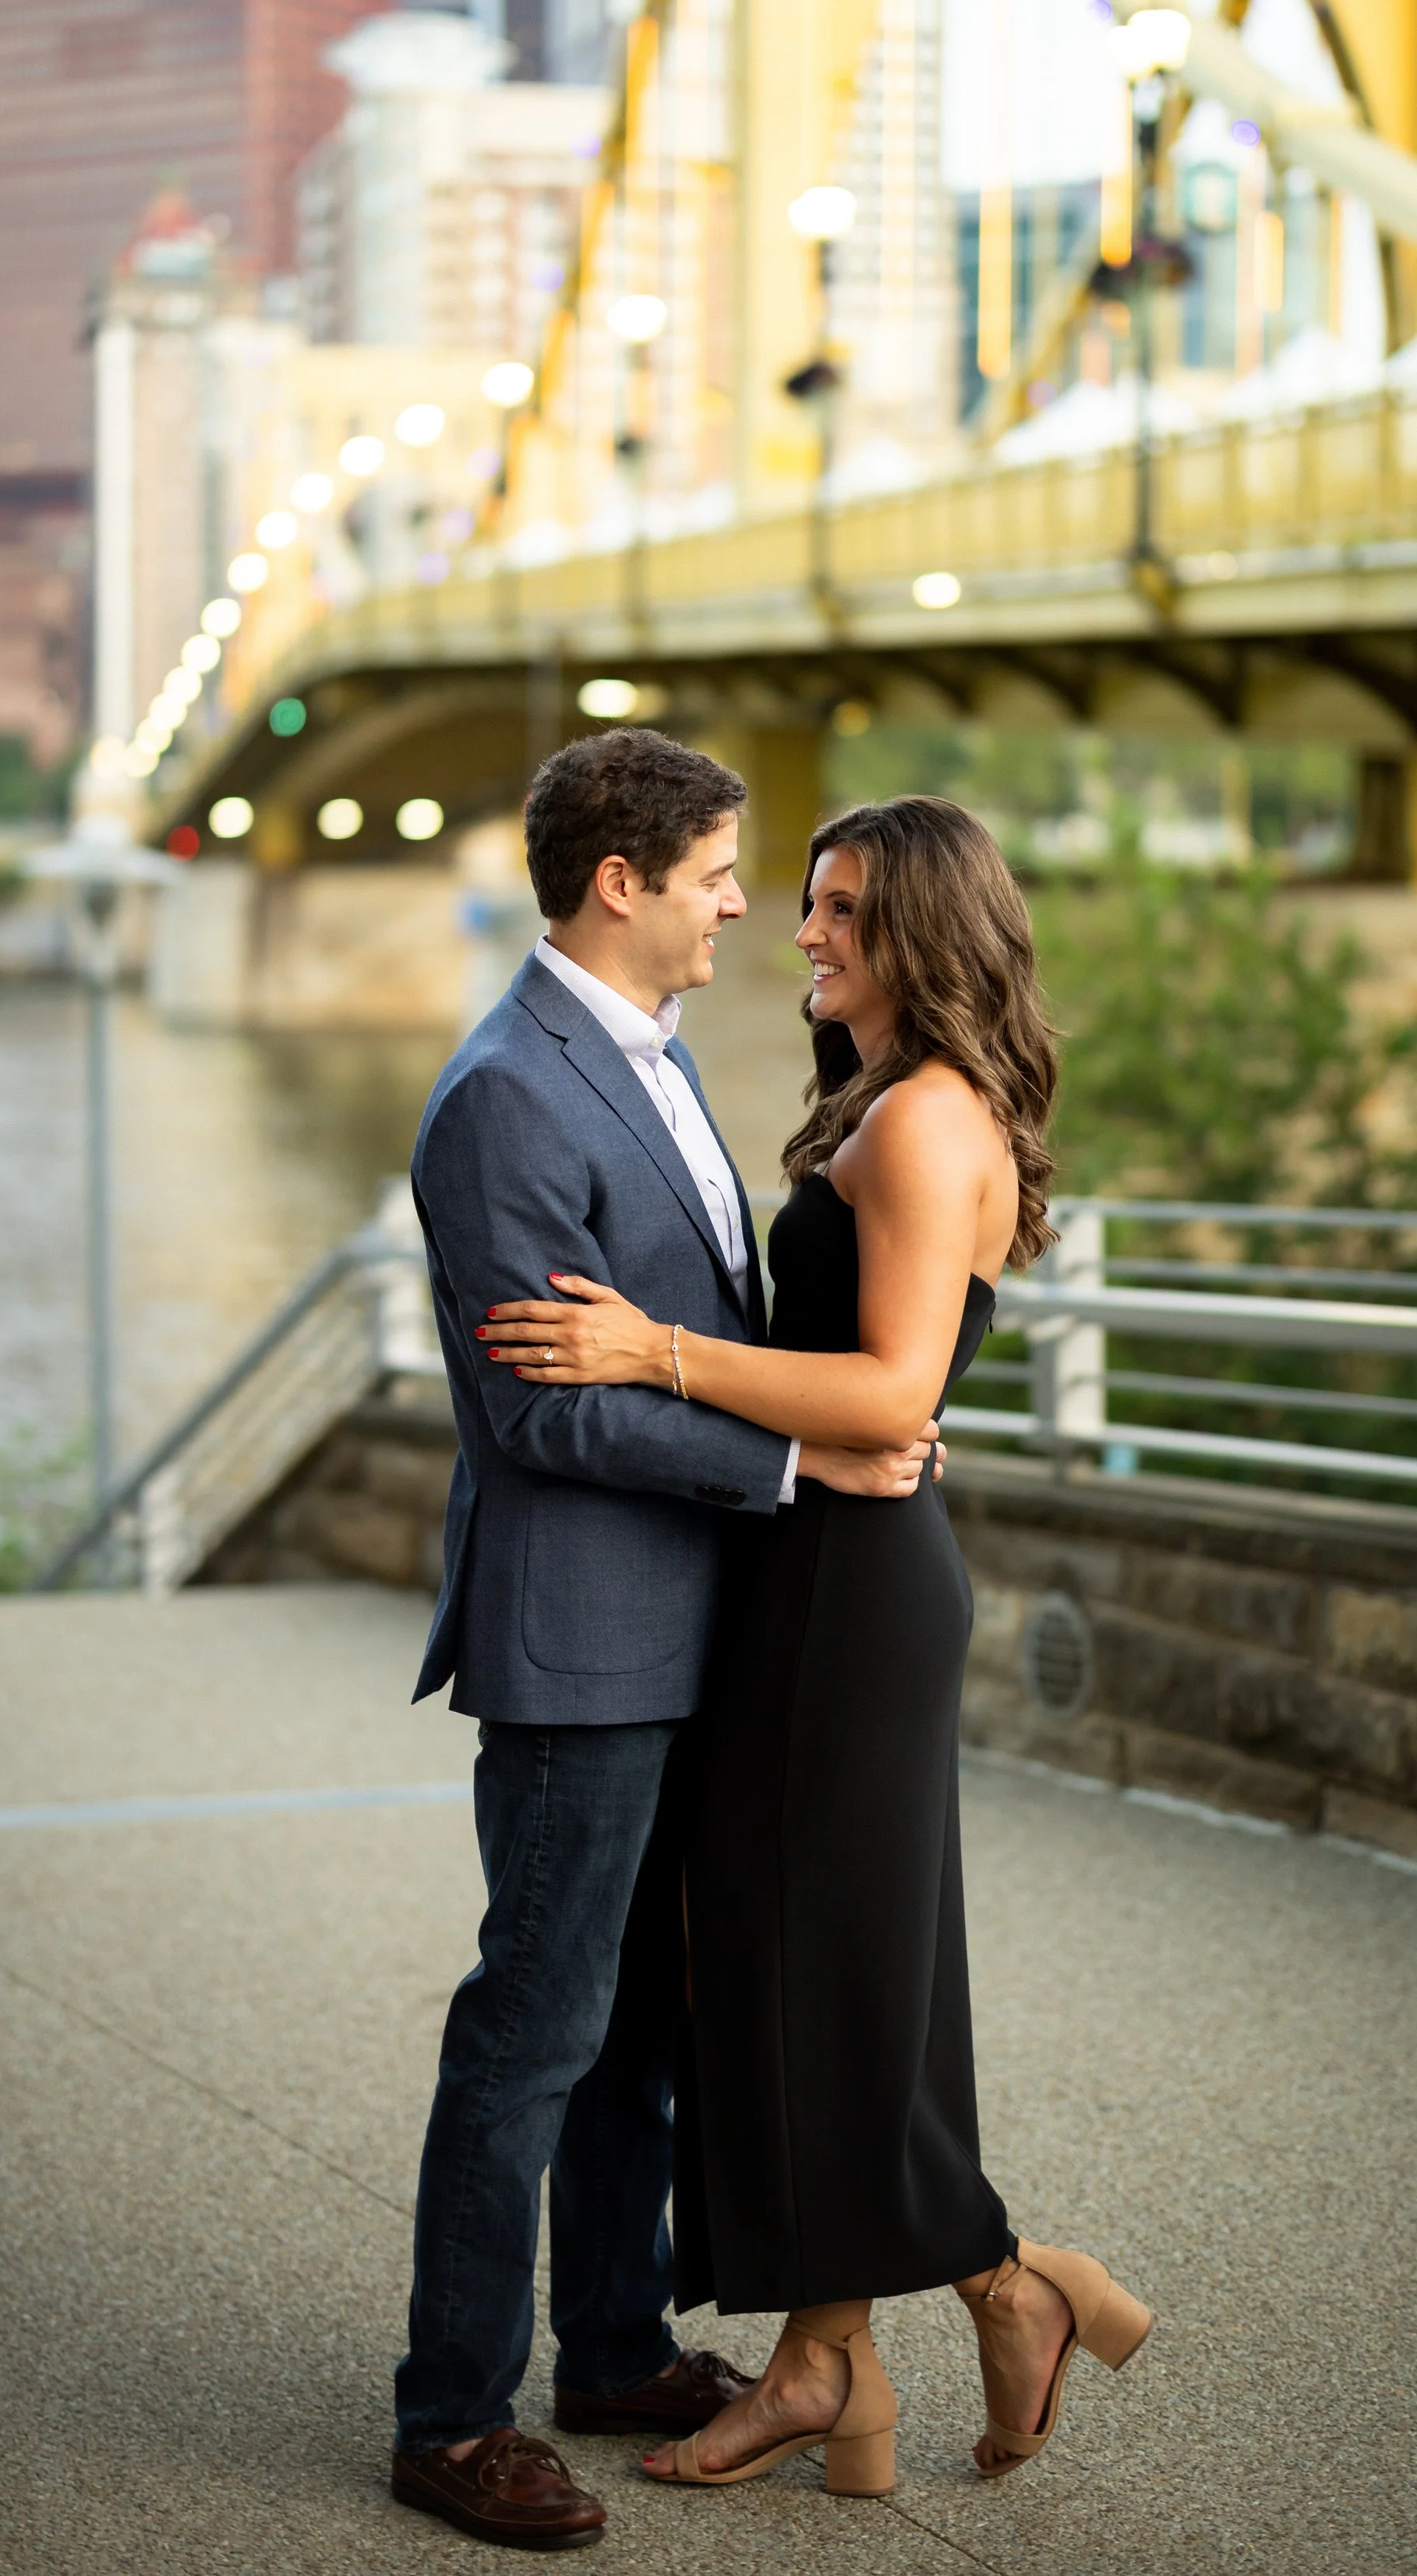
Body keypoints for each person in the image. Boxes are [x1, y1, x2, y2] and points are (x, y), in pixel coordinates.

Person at [479, 793, 1152, 2503]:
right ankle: (837, 2353)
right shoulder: (893, 1105)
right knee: (800, 1969)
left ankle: (991, 2288)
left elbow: (890, 1395)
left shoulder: (925, 1122)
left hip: (850, 1587)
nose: (801, 934)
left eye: (839, 909)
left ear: (919, 931)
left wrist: (650, 1354)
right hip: (814, 1569)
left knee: (806, 1969)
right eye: (794, 901)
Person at [392, 733, 940, 2553]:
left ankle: (612, 2344)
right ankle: (449, 2420)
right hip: (583, 1647)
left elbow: (671, 1322)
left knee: (639, 2032)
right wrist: (798, 1448)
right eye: (716, 871)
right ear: (617, 882)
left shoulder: (645, 1053)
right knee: (534, 2029)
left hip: (693, 1630)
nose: (742, 906)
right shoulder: (503, 1098)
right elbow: (540, 1415)